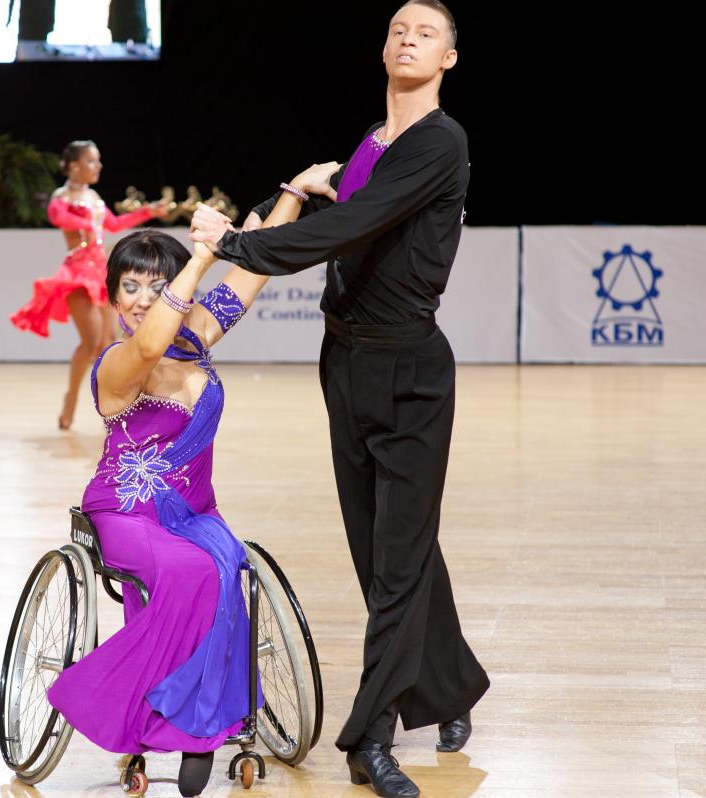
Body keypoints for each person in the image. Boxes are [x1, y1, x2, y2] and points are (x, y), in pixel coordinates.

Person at [190, 2, 488, 796]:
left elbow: (353, 225)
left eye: (425, 33)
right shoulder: (372, 143)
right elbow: (351, 208)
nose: (406, 39)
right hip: (346, 365)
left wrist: (238, 245)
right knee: (386, 550)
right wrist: (303, 188)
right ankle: (450, 686)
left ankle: (371, 739)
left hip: (411, 373)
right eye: (397, 29)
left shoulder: (439, 141)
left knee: (396, 559)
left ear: (449, 60)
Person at [48, 182, 306, 796]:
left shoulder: (199, 340)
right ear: (113, 297)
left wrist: (297, 190)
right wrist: (196, 258)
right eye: (130, 288)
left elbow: (253, 263)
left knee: (229, 562)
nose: (141, 300)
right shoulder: (119, 361)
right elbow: (148, 341)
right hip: (127, 511)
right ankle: (178, 724)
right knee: (192, 571)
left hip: (194, 509)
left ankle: (200, 713)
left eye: (152, 286)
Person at [10, 140, 166, 430]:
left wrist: (150, 211)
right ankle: (71, 398)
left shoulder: (93, 197)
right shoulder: (62, 197)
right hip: (77, 275)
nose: (99, 166)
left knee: (110, 342)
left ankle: (115, 407)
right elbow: (57, 216)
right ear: (73, 166)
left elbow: (115, 224)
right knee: (93, 343)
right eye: (92, 161)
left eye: (98, 161)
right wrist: (83, 214)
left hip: (101, 274)